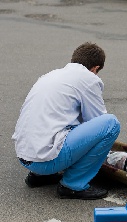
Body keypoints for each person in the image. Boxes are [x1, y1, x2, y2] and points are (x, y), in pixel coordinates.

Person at [12, 42, 120, 200]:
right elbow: (98, 120)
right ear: (96, 68)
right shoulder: (88, 78)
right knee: (111, 124)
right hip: (46, 161)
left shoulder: (51, 75)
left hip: (24, 156)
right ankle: (73, 185)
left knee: (56, 123)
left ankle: (39, 176)